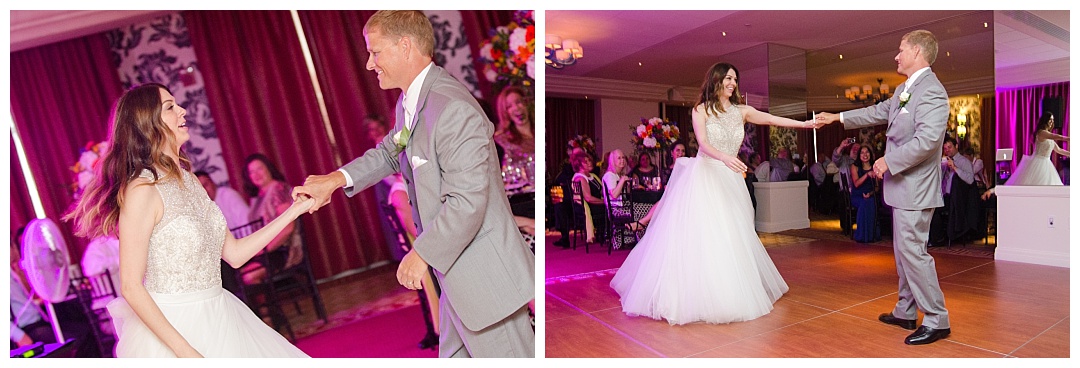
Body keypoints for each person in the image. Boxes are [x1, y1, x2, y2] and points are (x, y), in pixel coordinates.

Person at [291, 11, 533, 358]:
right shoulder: (411, 99)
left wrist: (422, 252)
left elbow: (467, 202)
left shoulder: (451, 108)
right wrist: (334, 180)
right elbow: (390, 151)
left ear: (405, 46)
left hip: (486, 280)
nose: (369, 64)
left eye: (375, 52)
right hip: (459, 279)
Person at [63, 83, 311, 357]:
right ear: (149, 124)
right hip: (177, 329)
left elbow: (235, 254)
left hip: (221, 314)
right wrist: (187, 353)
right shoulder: (142, 190)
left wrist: (294, 210)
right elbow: (131, 286)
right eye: (170, 107)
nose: (182, 111)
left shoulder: (190, 180)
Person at [611, 62, 814, 325]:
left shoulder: (742, 111)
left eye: (735, 79)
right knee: (705, 236)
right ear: (716, 81)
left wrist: (805, 124)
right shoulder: (701, 110)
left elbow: (773, 119)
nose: (732, 83)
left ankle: (730, 292)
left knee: (732, 234)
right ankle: (696, 294)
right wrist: (726, 158)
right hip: (706, 176)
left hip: (730, 180)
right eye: (728, 78)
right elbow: (704, 144)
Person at [816, 29, 952, 345]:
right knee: (903, 253)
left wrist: (889, 160)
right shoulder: (906, 88)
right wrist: (837, 117)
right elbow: (878, 112)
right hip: (903, 188)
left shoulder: (931, 91)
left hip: (916, 188)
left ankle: (937, 318)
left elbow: (928, 141)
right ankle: (905, 310)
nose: (896, 55)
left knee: (913, 253)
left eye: (901, 49)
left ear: (917, 52)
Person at [239, 154, 305, 285]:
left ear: (269, 169)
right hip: (267, 251)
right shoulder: (257, 198)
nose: (256, 174)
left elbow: (288, 228)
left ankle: (266, 305)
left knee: (246, 277)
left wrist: (262, 250)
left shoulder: (277, 189)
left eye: (259, 169)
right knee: (233, 275)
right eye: (252, 172)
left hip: (282, 250)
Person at [1004, 112, 1070, 185]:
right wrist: (1069, 139)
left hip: (1047, 163)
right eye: (1050, 120)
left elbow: (1059, 150)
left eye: (1053, 120)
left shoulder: (1049, 137)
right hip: (1038, 162)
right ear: (1045, 120)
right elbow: (1056, 136)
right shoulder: (1041, 132)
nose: (1052, 122)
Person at [493, 86, 536, 193]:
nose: (516, 108)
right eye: (509, 106)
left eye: (519, 102)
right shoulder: (501, 141)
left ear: (526, 104)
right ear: (505, 112)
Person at [571, 150, 608, 243]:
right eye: (585, 162)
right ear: (579, 164)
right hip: (589, 207)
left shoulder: (592, 176)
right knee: (611, 208)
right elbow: (588, 198)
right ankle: (608, 234)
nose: (589, 163)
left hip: (596, 204)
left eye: (589, 160)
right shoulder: (580, 178)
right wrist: (606, 202)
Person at [850, 146, 881, 243]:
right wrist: (867, 175)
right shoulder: (854, 167)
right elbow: (856, 183)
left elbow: (877, 187)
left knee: (870, 202)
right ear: (859, 155)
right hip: (857, 195)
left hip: (870, 194)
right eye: (862, 153)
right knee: (863, 203)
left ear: (870, 154)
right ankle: (861, 235)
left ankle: (871, 235)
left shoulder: (874, 167)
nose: (865, 155)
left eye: (867, 152)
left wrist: (870, 193)